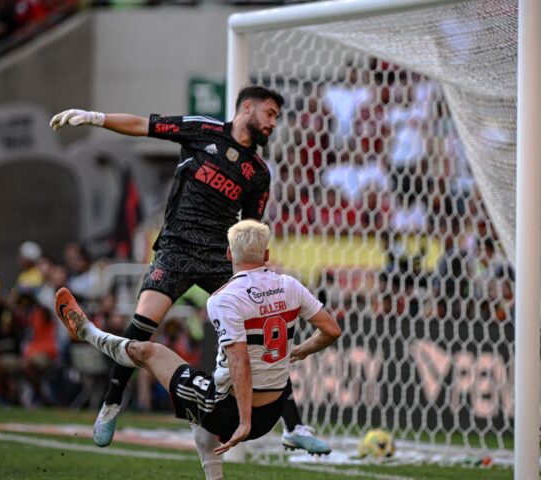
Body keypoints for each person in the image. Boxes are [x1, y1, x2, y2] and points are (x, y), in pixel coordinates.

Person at [50, 85, 333, 454]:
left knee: (262, 330)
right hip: (176, 248)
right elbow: (141, 125)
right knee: (142, 327)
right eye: (270, 113)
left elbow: (249, 231)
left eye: (276, 117)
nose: (273, 123)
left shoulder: (259, 173)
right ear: (247, 107)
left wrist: (260, 271)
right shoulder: (203, 131)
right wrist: (95, 118)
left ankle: (294, 425)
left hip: (219, 255)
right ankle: (111, 403)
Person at [55, 220, 341, 479]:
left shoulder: (225, 298)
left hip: (232, 413)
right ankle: (285, 434)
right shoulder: (290, 285)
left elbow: (239, 359)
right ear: (266, 255)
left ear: (229, 254)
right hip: (272, 412)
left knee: (149, 352)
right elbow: (331, 330)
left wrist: (243, 422)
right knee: (197, 399)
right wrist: (302, 349)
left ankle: (86, 332)